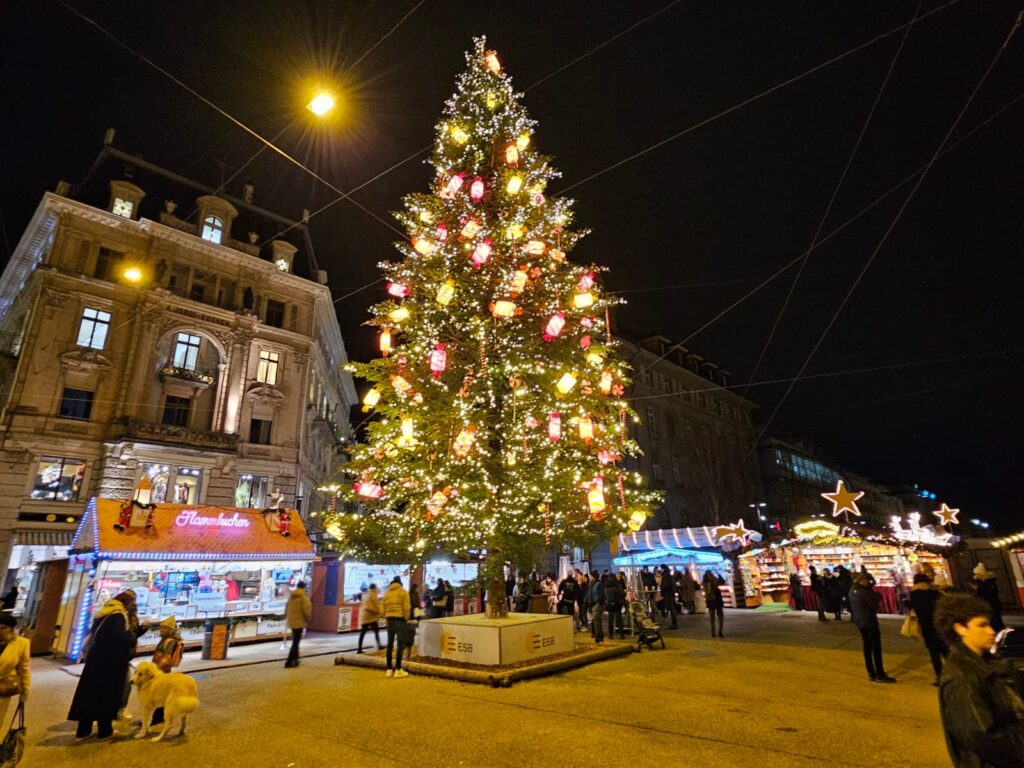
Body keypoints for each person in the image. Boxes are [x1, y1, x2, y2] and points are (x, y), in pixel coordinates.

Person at [934, 592, 1024, 767]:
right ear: (960, 629)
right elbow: (983, 738)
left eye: (988, 624)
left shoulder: (987, 663)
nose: (991, 631)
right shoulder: (961, 679)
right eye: (981, 626)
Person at [68, 592, 136, 740]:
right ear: (126, 603)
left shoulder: (103, 613)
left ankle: (83, 730)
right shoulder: (118, 616)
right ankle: (104, 730)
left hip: (95, 661)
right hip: (110, 662)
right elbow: (119, 638)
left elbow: (95, 634)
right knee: (106, 695)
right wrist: (131, 638)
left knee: (90, 694)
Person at [848, 572, 895, 683]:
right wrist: (876, 594)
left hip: (860, 621)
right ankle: (879, 672)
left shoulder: (853, 590)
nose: (867, 582)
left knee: (867, 647)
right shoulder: (864, 592)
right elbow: (874, 601)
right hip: (869, 620)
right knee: (875, 647)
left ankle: (871, 672)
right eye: (866, 580)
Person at [908, 573, 947, 685]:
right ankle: (954, 672)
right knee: (945, 650)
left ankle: (939, 676)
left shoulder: (914, 595)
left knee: (934, 653)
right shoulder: (934, 593)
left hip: (926, 627)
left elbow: (912, 607)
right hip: (938, 625)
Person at [0, 614, 30, 739]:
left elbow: (24, 668)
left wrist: (25, 690)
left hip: (3, 688)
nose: (0, 631)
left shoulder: (22, 643)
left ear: (12, 629)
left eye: (3, 627)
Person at [150, 616, 183, 725]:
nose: (161, 630)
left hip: (161, 671)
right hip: (160, 669)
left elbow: (166, 658)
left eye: (164, 628)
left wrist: (156, 669)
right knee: (161, 694)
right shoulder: (165, 639)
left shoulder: (169, 641)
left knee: (160, 694)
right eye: (161, 628)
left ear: (169, 629)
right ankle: (160, 716)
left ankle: (158, 717)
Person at [381, 576, 411, 678]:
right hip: (400, 620)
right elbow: (406, 608)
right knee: (400, 645)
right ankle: (398, 669)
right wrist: (406, 618)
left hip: (390, 620)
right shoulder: (403, 592)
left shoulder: (387, 593)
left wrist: (385, 616)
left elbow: (382, 608)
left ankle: (389, 669)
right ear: (400, 583)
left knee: (389, 644)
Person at [284, 580, 312, 668]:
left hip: (292, 621)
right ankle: (289, 661)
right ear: (304, 587)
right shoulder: (304, 597)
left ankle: (296, 660)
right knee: (295, 642)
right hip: (300, 622)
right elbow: (307, 610)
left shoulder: (292, 596)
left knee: (295, 641)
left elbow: (286, 607)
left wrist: (288, 616)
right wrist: (308, 619)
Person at [972, 563, 1005, 633]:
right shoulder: (989, 582)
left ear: (980, 574)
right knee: (997, 620)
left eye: (976, 574)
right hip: (993, 605)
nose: (975, 576)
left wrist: (978, 589)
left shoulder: (985, 583)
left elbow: (983, 594)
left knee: (995, 621)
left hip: (990, 605)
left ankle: (1000, 635)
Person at [358, 583, 382, 653]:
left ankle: (359, 649)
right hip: (371, 617)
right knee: (376, 631)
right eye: (376, 587)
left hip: (365, 617)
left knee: (363, 633)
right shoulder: (373, 595)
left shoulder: (367, 594)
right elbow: (375, 605)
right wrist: (379, 612)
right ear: (374, 588)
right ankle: (379, 645)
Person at [703, 568, 726, 638]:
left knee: (712, 617)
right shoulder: (714, 580)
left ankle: (713, 632)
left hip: (710, 601)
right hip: (717, 599)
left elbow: (707, 592)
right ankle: (720, 631)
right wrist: (718, 574)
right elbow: (722, 581)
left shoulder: (705, 582)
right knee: (720, 616)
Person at [605, 573, 625, 639]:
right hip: (617, 604)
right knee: (619, 619)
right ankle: (621, 634)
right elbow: (622, 594)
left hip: (609, 604)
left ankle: (610, 634)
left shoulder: (606, 587)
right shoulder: (616, 586)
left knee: (610, 620)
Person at [588, 573, 605, 643]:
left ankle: (598, 635)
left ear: (594, 577)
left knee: (595, 619)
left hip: (597, 604)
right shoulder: (591, 584)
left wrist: (597, 602)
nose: (589, 577)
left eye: (591, 576)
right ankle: (600, 635)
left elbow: (601, 595)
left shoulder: (598, 584)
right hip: (593, 604)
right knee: (597, 620)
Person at [660, 565, 678, 629]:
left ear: (664, 569)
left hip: (668, 594)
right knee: (671, 609)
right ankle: (674, 623)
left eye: (661, 569)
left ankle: (674, 624)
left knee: (671, 609)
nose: (660, 570)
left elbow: (665, 585)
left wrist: (661, 588)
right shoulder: (669, 574)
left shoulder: (666, 576)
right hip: (670, 594)